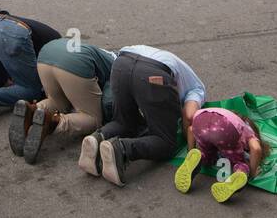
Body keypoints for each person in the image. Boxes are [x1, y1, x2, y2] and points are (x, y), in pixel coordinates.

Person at [78, 44, 205, 187]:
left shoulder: (174, 62)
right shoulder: (197, 88)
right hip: (153, 73)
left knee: (124, 122)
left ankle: (97, 138)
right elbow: (189, 115)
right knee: (166, 142)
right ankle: (122, 148)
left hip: (122, 63)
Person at [9, 38, 116, 164]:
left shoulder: (104, 53)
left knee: (57, 102)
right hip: (76, 64)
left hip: (46, 55)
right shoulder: (117, 65)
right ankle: (53, 122)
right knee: (93, 119)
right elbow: (110, 94)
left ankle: (33, 109)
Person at [174, 106, 268, 203]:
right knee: (239, 162)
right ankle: (240, 172)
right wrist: (253, 172)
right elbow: (256, 148)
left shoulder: (222, 112)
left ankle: (199, 156)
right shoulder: (245, 128)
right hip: (225, 129)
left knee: (208, 154)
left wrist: (190, 152)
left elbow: (190, 129)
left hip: (200, 119)